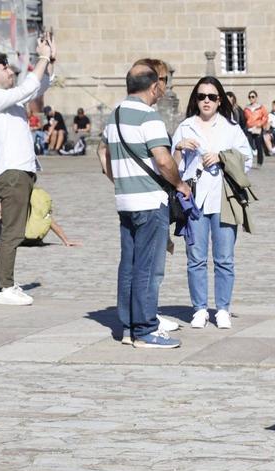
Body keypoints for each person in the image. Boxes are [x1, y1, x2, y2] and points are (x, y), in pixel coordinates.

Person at [97, 62, 191, 348]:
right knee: (147, 267)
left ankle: (127, 327)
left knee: (129, 264)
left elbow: (103, 155)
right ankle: (146, 329)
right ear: (153, 87)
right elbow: (163, 160)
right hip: (150, 201)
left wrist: (121, 180)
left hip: (125, 200)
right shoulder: (149, 117)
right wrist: (179, 184)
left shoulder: (114, 117)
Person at [0, 37, 54, 307]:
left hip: (22, 170)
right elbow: (28, 87)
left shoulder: (9, 100)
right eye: (4, 66)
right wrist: (41, 58)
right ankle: (4, 287)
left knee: (15, 229)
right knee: (13, 230)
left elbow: (37, 87)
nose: (10, 70)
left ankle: (7, 283)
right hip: (10, 171)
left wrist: (50, 59)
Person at [171, 76, 253, 330]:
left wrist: (222, 157)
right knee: (195, 257)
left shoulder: (230, 127)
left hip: (223, 198)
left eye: (212, 97)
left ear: (220, 101)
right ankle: (199, 309)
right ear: (196, 99)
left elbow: (247, 160)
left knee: (224, 258)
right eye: (201, 96)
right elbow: (173, 169)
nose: (206, 101)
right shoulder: (185, 127)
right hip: (193, 200)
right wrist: (179, 148)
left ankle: (223, 309)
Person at [242, 90, 269, 162]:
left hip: (258, 128)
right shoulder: (246, 108)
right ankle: (250, 158)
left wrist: (260, 124)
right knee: (248, 143)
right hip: (249, 128)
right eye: (249, 97)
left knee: (258, 145)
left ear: (256, 97)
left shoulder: (261, 107)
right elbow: (244, 118)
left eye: (253, 97)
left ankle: (259, 162)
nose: (251, 98)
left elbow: (265, 117)